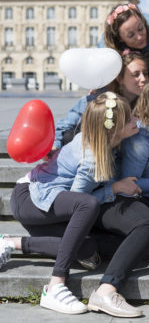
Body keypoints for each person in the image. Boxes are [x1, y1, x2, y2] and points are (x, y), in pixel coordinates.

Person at [1, 92, 138, 315]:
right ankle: (56, 285)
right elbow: (79, 202)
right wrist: (114, 188)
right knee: (88, 206)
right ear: (113, 129)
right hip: (30, 199)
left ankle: (11, 242)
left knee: (87, 247)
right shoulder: (92, 156)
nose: (135, 120)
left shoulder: (99, 142)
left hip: (46, 205)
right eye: (130, 119)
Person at [53, 52, 149, 150]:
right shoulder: (97, 100)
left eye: (145, 73)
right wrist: (55, 145)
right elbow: (64, 126)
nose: (143, 78)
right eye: (136, 74)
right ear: (120, 79)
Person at [101, 3, 149, 77]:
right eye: (131, 35)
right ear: (119, 38)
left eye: (140, 29)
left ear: (143, 22)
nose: (139, 37)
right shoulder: (107, 50)